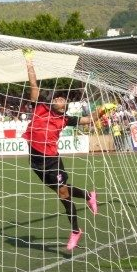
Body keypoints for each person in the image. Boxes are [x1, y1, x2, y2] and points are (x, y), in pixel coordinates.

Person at [22, 51, 99, 251]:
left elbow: (89, 120)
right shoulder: (40, 107)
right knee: (60, 191)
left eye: (62, 99)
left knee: (63, 193)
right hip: (35, 160)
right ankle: (89, 196)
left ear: (65, 106)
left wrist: (102, 111)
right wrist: (29, 63)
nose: (59, 99)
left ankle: (75, 231)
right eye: (57, 97)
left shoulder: (66, 119)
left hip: (52, 161)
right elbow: (33, 85)